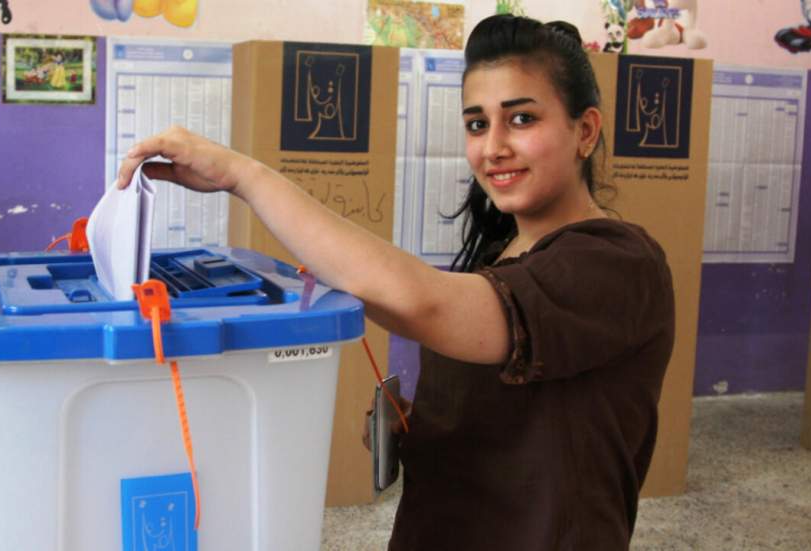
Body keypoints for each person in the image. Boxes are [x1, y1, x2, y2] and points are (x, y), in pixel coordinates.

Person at [116, 14, 675, 551]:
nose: (494, 146)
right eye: (477, 123)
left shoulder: (618, 263)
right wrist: (417, 429)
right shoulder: (502, 253)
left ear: (586, 130)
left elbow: (424, 304)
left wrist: (245, 176)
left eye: (522, 119)